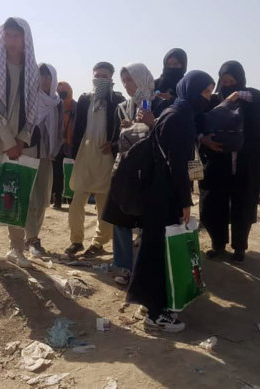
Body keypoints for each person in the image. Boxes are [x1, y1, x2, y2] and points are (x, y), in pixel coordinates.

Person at [127, 70, 216, 332]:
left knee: (153, 249)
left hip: (160, 193)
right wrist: (185, 202)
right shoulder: (179, 118)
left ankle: (148, 303)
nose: (207, 98)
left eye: (210, 92)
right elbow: (176, 166)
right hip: (165, 195)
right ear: (191, 89)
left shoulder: (176, 113)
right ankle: (157, 315)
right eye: (205, 92)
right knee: (160, 253)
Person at [0, 17, 40, 272]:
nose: (12, 41)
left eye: (17, 36)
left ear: (26, 39)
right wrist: (7, 141)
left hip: (24, 142)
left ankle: (16, 248)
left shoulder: (33, 70)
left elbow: (35, 106)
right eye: (8, 35)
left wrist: (22, 138)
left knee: (19, 195)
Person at [199, 61, 260, 262]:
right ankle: (218, 244)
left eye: (233, 81)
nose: (229, 85)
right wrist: (205, 140)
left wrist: (240, 95)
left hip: (245, 165)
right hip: (218, 163)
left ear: (241, 81)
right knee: (214, 204)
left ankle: (239, 247)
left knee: (242, 205)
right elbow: (199, 121)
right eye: (225, 81)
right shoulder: (213, 101)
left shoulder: (252, 99)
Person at [103, 63, 159, 286]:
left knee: (148, 221)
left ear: (141, 79)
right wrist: (127, 128)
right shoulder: (123, 107)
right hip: (126, 169)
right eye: (124, 81)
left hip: (151, 172)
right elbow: (120, 141)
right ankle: (124, 267)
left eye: (130, 80)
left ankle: (144, 269)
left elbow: (168, 136)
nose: (127, 85)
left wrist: (151, 122)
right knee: (121, 217)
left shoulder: (162, 102)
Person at [65, 62, 124, 258]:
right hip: (85, 153)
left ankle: (98, 242)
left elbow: (123, 128)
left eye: (104, 76)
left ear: (111, 79)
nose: (100, 79)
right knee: (76, 202)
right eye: (97, 75)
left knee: (103, 205)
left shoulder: (117, 100)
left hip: (105, 156)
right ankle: (76, 241)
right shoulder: (84, 100)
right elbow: (78, 128)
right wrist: (74, 154)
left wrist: (113, 145)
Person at [25, 63, 63, 258]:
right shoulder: (28, 98)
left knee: (41, 199)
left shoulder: (57, 102)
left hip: (46, 156)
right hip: (27, 154)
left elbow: (59, 131)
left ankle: (32, 236)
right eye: (41, 76)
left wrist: (54, 150)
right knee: (26, 197)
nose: (45, 81)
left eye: (48, 77)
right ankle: (26, 238)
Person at [51, 81, 76, 209]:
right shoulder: (55, 106)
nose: (61, 92)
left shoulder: (76, 107)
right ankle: (58, 200)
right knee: (57, 173)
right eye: (59, 90)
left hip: (72, 145)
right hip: (59, 145)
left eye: (64, 90)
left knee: (73, 173)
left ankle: (72, 200)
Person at [153, 48, 188, 115]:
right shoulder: (155, 84)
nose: (171, 67)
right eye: (168, 65)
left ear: (183, 66)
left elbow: (189, 109)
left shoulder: (186, 86)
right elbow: (145, 100)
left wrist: (172, 99)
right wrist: (143, 111)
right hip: (152, 123)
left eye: (175, 64)